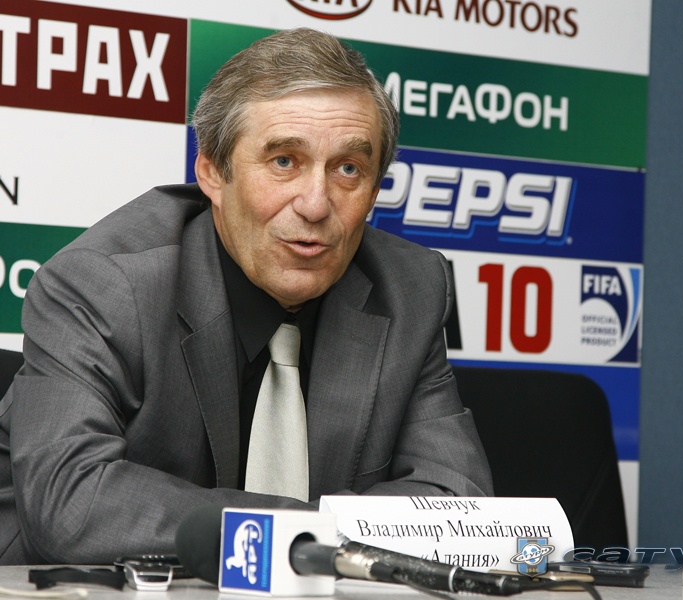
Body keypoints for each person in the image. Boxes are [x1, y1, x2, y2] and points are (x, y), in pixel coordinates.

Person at [0, 27, 492, 565]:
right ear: (212, 172)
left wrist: (305, 535)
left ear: (374, 191)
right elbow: (73, 503)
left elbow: (457, 502)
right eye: (284, 161)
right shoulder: (103, 285)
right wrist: (309, 532)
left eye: (348, 169)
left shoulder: (410, 289)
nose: (315, 204)